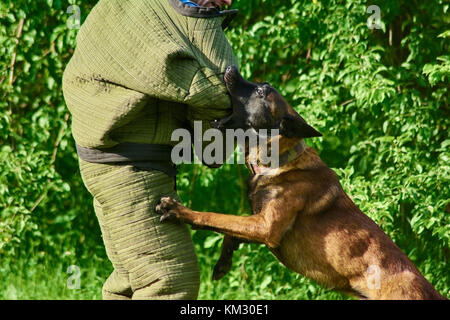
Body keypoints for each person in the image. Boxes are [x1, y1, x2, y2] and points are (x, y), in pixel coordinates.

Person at [62, 0, 237, 300]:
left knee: (130, 283)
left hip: (119, 162)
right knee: (169, 283)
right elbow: (214, 90)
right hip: (129, 167)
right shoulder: (155, 14)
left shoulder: (151, 10)